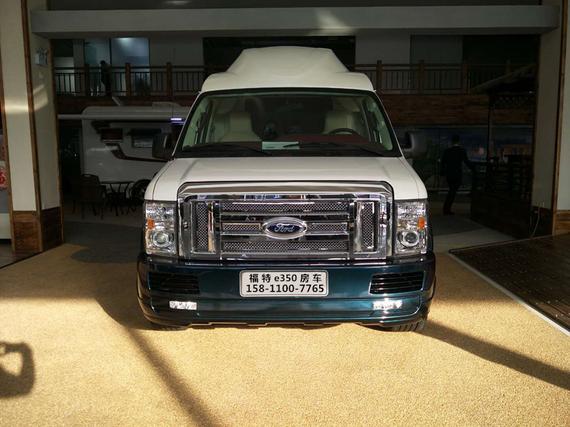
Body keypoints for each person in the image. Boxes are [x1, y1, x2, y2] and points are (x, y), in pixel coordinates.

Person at [440, 135, 474, 215]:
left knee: (451, 190)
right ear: (459, 141)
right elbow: (466, 161)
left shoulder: (447, 151)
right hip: (457, 173)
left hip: (449, 173)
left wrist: (442, 173)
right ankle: (446, 209)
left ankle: (446, 208)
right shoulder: (462, 151)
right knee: (453, 191)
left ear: (452, 142)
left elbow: (443, 163)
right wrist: (473, 168)